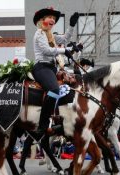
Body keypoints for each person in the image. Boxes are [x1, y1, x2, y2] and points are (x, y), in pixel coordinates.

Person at [32, 7, 79, 135]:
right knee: (54, 90)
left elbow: (64, 39)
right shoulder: (39, 33)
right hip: (42, 67)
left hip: (52, 68)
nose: (52, 20)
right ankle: (42, 125)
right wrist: (64, 50)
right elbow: (47, 51)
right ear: (42, 20)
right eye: (50, 17)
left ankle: (60, 119)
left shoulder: (51, 35)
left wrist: (71, 25)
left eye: (54, 18)